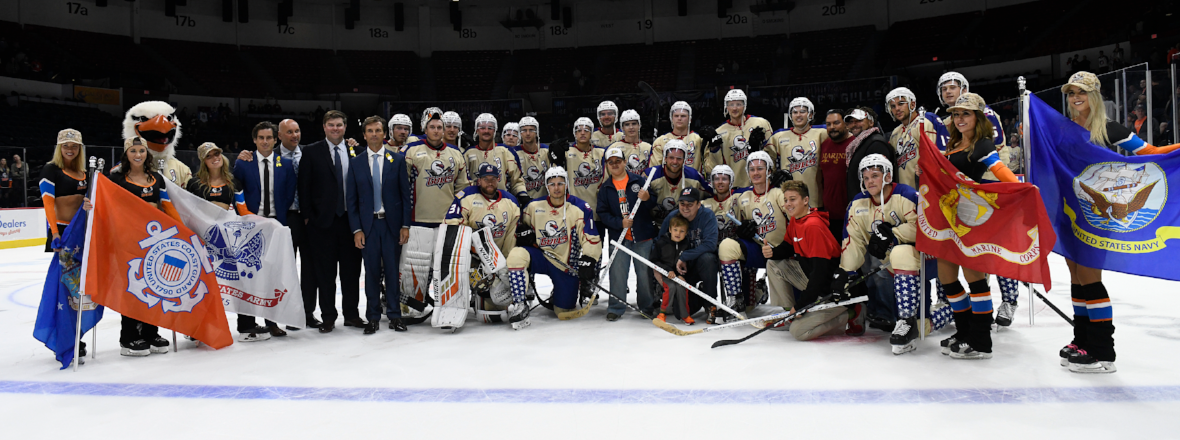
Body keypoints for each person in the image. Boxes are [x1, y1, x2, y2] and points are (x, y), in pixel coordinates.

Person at [1057, 72, 1180, 373]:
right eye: (1072, 92)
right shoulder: (1063, 128)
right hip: (1071, 208)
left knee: (1090, 276)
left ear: (1094, 96)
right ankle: (1081, 339)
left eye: (1082, 92)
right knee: (1075, 274)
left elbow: (1148, 153)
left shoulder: (1108, 128)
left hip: (1099, 214)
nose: (1075, 97)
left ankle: (1103, 352)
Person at [836, 154, 951, 353]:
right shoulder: (858, 204)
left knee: (920, 321)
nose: (870, 181)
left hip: (921, 262)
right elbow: (853, 241)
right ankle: (905, 320)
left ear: (887, 176)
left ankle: (949, 312)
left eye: (875, 175)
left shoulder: (906, 195)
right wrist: (845, 272)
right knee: (915, 321)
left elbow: (927, 226)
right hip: (890, 268)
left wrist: (894, 234)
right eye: (866, 177)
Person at [936, 92, 1021, 360]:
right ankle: (964, 331)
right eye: (956, 114)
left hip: (970, 220)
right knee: (947, 277)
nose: (959, 118)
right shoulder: (953, 145)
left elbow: (999, 171)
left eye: (966, 114)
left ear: (978, 117)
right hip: (950, 220)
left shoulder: (982, 145)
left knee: (975, 280)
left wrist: (1020, 189)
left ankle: (981, 339)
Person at [109, 136, 181, 356]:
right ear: (126, 154)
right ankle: (129, 337)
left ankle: (151, 332)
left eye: (141, 151)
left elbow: (167, 206)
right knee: (132, 288)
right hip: (126, 242)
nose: (138, 155)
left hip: (152, 244)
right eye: (133, 151)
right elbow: (107, 207)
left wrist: (182, 231)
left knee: (153, 287)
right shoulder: (116, 178)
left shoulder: (156, 178)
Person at [187, 142, 266, 340]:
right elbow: (188, 212)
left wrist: (263, 222)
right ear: (203, 160)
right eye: (209, 156)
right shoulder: (194, 184)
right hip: (202, 240)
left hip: (229, 240)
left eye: (217, 154)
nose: (215, 158)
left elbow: (243, 210)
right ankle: (199, 328)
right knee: (203, 285)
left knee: (242, 282)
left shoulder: (233, 183)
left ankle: (247, 327)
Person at [401, 108, 471, 322]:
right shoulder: (411, 150)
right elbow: (401, 186)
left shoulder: (455, 153)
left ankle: (449, 307)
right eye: (432, 127)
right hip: (417, 222)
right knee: (417, 268)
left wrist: (458, 210)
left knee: (447, 269)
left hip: (447, 223)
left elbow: (463, 188)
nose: (437, 130)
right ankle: (411, 307)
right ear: (425, 128)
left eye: (440, 127)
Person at [298, 110, 364, 333]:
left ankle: (352, 315)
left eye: (339, 125)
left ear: (345, 127)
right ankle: (328, 316)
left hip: (350, 222)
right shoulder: (311, 151)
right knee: (325, 274)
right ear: (324, 127)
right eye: (331, 125)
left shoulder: (356, 150)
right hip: (321, 223)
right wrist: (309, 217)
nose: (335, 128)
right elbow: (304, 186)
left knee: (351, 272)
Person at [346, 115, 412, 334]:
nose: (374, 134)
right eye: (370, 131)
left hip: (392, 226)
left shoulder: (398, 160)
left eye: (378, 130)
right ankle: (373, 316)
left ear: (385, 134)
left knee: (393, 272)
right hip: (368, 227)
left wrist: (405, 225)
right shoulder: (355, 163)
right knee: (371, 272)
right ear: (364, 135)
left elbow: (405, 196)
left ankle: (395, 315)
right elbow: (352, 200)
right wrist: (356, 229)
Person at [506, 166, 602, 315]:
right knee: (517, 255)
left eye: (560, 183)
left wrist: (588, 258)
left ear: (566, 185)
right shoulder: (533, 206)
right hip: (540, 256)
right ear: (547, 186)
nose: (556, 188)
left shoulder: (580, 207)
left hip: (564, 265)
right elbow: (520, 227)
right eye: (552, 184)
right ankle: (519, 303)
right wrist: (523, 233)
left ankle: (560, 294)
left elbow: (591, 238)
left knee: (563, 310)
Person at [232, 121, 297, 337]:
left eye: (269, 138)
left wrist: (276, 219)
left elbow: (288, 195)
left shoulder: (285, 164)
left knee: (273, 276)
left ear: (275, 140)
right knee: (247, 275)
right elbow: (236, 192)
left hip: (275, 225)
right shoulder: (243, 163)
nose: (265, 142)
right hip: (250, 227)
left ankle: (272, 322)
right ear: (254, 140)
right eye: (261, 138)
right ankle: (247, 323)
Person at [446, 164, 525, 328]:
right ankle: (459, 300)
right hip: (472, 258)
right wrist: (472, 257)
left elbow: (511, 237)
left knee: (495, 305)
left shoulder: (510, 201)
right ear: (478, 181)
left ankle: (521, 294)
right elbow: (453, 227)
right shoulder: (465, 197)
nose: (490, 182)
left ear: (498, 180)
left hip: (497, 260)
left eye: (493, 179)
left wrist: (505, 266)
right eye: (485, 179)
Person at [717, 151, 788, 322]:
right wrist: (741, 231)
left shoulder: (779, 193)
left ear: (769, 170)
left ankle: (759, 292)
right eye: (752, 169)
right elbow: (726, 211)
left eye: (760, 168)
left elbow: (797, 219)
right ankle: (735, 301)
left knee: (788, 304)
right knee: (727, 245)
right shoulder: (743, 197)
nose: (756, 173)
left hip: (782, 252)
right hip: (758, 250)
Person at [776, 180, 848, 340]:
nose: (788, 204)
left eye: (793, 199)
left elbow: (820, 275)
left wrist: (802, 305)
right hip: (815, 284)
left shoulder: (813, 226)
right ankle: (790, 313)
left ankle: (847, 315)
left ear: (806, 200)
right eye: (786, 200)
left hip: (832, 292)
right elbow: (787, 247)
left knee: (798, 332)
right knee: (774, 265)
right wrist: (771, 252)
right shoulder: (795, 220)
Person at [597, 147, 656, 321]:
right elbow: (603, 213)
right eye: (611, 162)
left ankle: (646, 306)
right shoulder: (605, 188)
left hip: (642, 237)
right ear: (607, 165)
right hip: (619, 239)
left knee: (644, 274)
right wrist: (619, 223)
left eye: (618, 161)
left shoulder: (639, 181)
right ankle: (616, 307)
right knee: (617, 274)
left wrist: (647, 198)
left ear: (624, 162)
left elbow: (653, 203)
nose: (615, 165)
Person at [656, 187, 719, 321]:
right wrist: (665, 271)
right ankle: (701, 294)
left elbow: (710, 245)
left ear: (698, 204)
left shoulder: (707, 216)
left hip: (700, 264)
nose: (685, 208)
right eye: (682, 204)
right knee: (680, 314)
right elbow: (661, 244)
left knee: (708, 258)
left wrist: (684, 256)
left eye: (690, 204)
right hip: (680, 270)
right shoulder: (672, 217)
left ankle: (710, 304)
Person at [706, 89, 774, 188]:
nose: (734, 108)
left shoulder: (761, 123)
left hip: (761, 186)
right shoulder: (719, 132)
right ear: (726, 107)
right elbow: (712, 168)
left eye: (738, 104)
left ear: (745, 105)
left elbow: (773, 155)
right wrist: (714, 149)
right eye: (731, 104)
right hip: (735, 189)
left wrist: (759, 150)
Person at [769, 97, 828, 207]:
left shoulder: (822, 133)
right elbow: (766, 161)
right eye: (795, 112)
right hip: (788, 200)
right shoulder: (778, 137)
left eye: (802, 111)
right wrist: (773, 175)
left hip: (816, 199)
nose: (798, 115)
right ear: (791, 115)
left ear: (810, 115)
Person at [886, 87, 947, 189]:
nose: (897, 108)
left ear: (912, 104)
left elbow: (935, 156)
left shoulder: (923, 122)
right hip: (905, 194)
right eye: (893, 106)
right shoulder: (895, 133)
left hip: (926, 190)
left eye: (901, 103)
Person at [463, 113, 528, 207]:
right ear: (477, 130)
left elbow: (517, 181)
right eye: (482, 127)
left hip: (502, 205)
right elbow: (462, 182)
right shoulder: (468, 153)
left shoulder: (507, 152)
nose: (486, 131)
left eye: (490, 128)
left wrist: (523, 196)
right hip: (475, 206)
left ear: (495, 130)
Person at [39, 129, 88, 253]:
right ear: (59, 148)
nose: (70, 150)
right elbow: (48, 204)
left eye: (74, 146)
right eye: (65, 146)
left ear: (79, 149)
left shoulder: (84, 173)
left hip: (80, 229)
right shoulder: (50, 169)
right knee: (63, 271)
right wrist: (55, 233)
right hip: (61, 230)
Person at [550, 117, 605, 219]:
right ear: (574, 133)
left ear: (592, 133)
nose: (582, 133)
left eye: (586, 130)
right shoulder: (566, 152)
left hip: (597, 212)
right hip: (573, 212)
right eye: (579, 130)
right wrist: (556, 158)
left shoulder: (601, 153)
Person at [842, 108, 896, 203]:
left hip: (873, 205)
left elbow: (879, 181)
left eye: (859, 120)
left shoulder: (876, 144)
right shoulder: (860, 144)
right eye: (851, 122)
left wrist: (873, 206)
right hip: (862, 202)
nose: (854, 124)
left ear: (871, 122)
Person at [652, 214, 694, 325]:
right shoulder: (661, 243)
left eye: (682, 231)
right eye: (675, 230)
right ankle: (662, 313)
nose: (678, 233)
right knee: (670, 287)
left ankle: (685, 315)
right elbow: (654, 260)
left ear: (686, 232)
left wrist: (682, 275)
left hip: (678, 275)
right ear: (670, 229)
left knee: (681, 288)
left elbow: (688, 262)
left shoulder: (686, 244)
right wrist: (666, 270)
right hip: (664, 273)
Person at [819, 109, 853, 242]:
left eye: (836, 123)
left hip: (850, 212)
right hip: (829, 213)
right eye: (828, 124)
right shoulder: (824, 145)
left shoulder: (855, 143)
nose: (832, 127)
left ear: (846, 124)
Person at [651, 101, 705, 170]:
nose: (679, 118)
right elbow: (654, 170)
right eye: (676, 116)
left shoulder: (698, 139)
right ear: (671, 118)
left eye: (683, 116)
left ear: (689, 119)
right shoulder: (660, 141)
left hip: (693, 180)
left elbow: (709, 166)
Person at [514, 116, 552, 201]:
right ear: (520, 133)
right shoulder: (513, 153)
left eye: (531, 130)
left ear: (537, 132)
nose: (527, 133)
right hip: (523, 203)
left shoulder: (546, 151)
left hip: (545, 203)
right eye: (524, 130)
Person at [609, 110, 654, 176]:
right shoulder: (614, 148)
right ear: (623, 128)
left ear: (639, 125)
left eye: (634, 124)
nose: (631, 127)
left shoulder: (648, 147)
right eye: (627, 124)